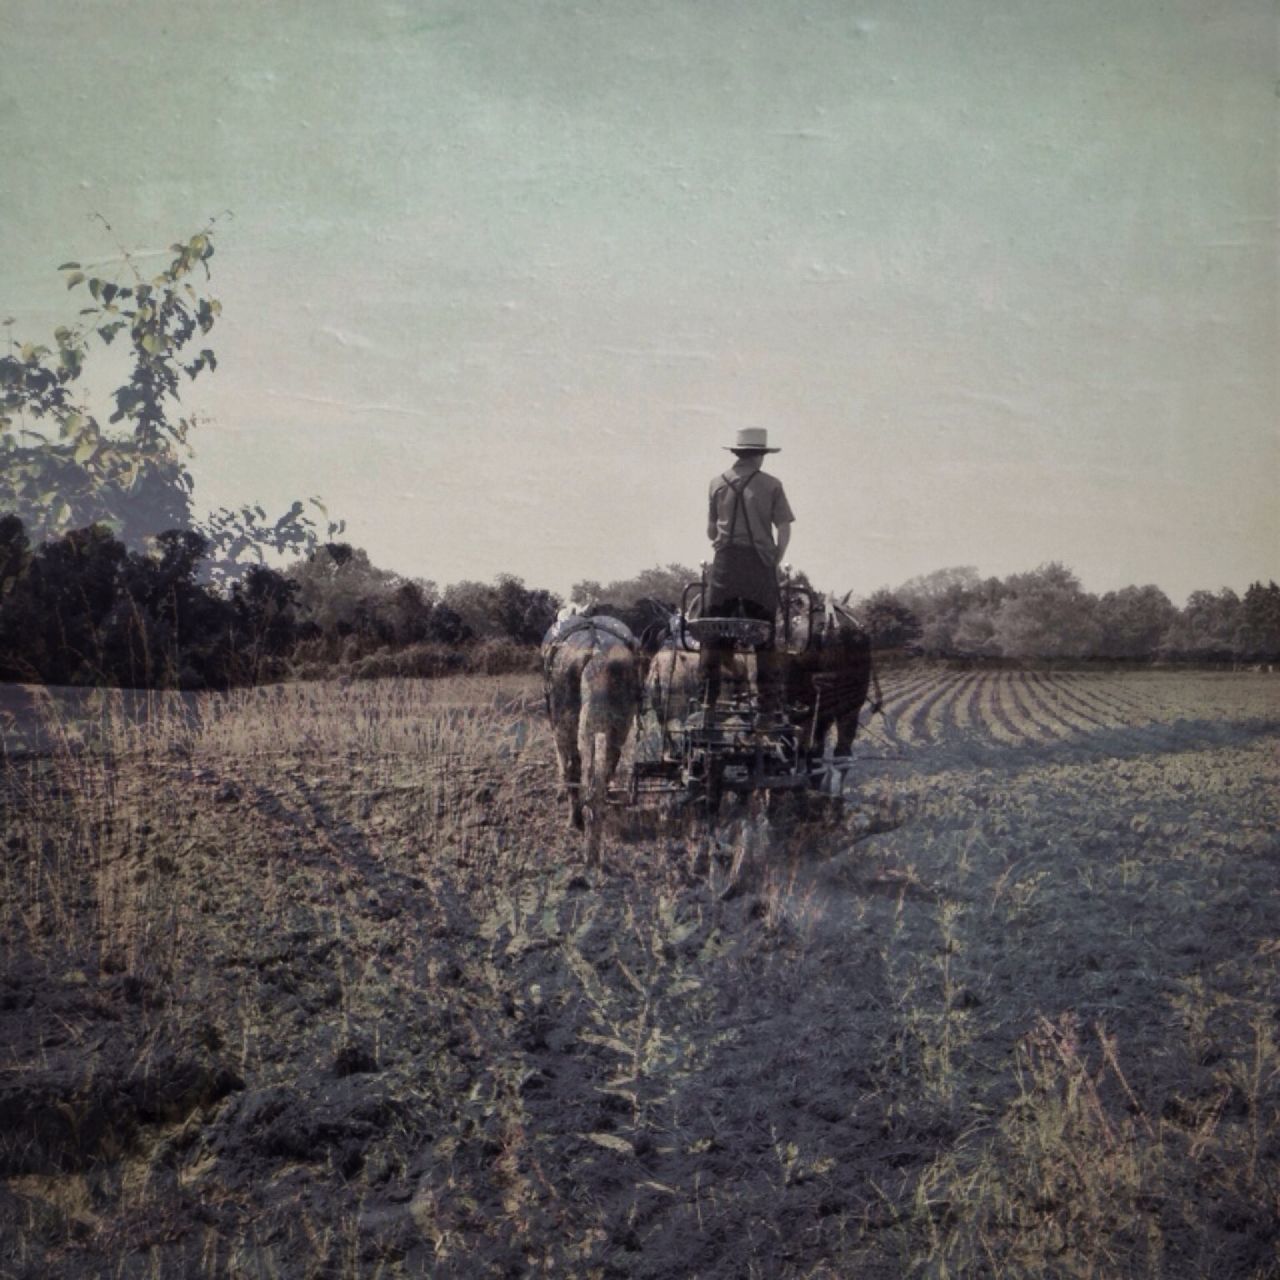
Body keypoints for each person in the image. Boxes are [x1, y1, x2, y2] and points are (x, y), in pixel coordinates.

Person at [700, 427, 795, 717]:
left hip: (725, 566)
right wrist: (775, 559)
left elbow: (710, 530)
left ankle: (707, 703)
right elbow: (784, 528)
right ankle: (766, 706)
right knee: (765, 635)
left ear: (737, 453)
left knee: (712, 632)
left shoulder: (716, 483)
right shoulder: (772, 485)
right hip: (758, 567)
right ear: (761, 456)